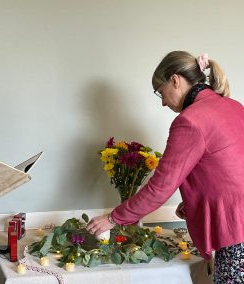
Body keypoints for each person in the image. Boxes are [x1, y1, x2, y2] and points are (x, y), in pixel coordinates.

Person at [87, 51, 244, 283]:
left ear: (175, 80)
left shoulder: (190, 120)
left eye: (161, 92)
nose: (162, 103)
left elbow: (159, 189)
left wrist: (112, 219)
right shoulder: (234, 106)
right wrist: (195, 201)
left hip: (236, 232)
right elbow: (229, 169)